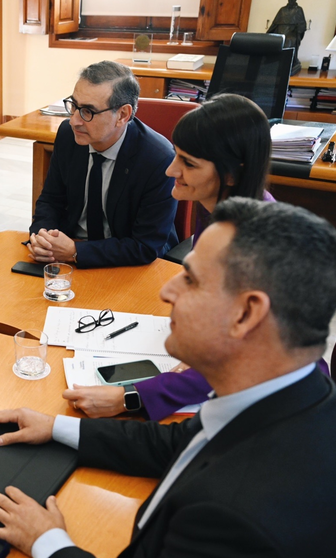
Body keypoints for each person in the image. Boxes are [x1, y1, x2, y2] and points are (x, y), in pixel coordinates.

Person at [0, 198, 336, 557]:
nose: (167, 290)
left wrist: (47, 542)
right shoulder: (293, 393)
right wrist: (57, 427)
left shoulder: (231, 517)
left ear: (246, 314)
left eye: (189, 278)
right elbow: (181, 442)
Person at [64, 94, 290, 422]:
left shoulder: (259, 243)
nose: (171, 169)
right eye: (176, 156)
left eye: (189, 163)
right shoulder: (218, 206)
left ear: (230, 174)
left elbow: (241, 358)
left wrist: (129, 397)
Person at [28, 61, 177, 268]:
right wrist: (42, 237)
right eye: (74, 105)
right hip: (66, 256)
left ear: (123, 115)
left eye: (88, 111)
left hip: (128, 265)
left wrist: (76, 252)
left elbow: (146, 246)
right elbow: (51, 200)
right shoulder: (68, 135)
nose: (74, 121)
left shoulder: (158, 159)